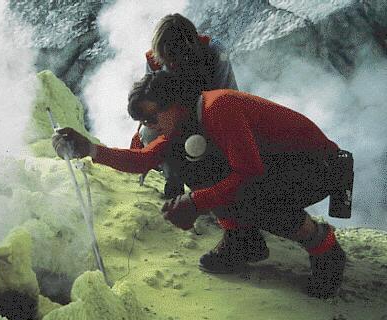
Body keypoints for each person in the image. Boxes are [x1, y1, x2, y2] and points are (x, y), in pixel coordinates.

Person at [52, 71, 348, 298]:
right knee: (190, 160)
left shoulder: (219, 108)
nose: (149, 126)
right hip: (286, 164)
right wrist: (89, 149)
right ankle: (243, 241)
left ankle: (324, 247)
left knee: (251, 192)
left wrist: (195, 202)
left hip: (320, 166)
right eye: (144, 120)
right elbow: (143, 159)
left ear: (176, 104)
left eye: (152, 116)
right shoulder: (188, 121)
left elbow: (249, 173)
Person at [131, 13, 238, 199]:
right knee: (150, 133)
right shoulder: (154, 61)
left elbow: (227, 98)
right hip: (174, 116)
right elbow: (151, 101)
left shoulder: (214, 54)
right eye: (167, 62)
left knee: (201, 147)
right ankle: (174, 180)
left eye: (177, 60)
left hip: (211, 112)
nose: (172, 66)